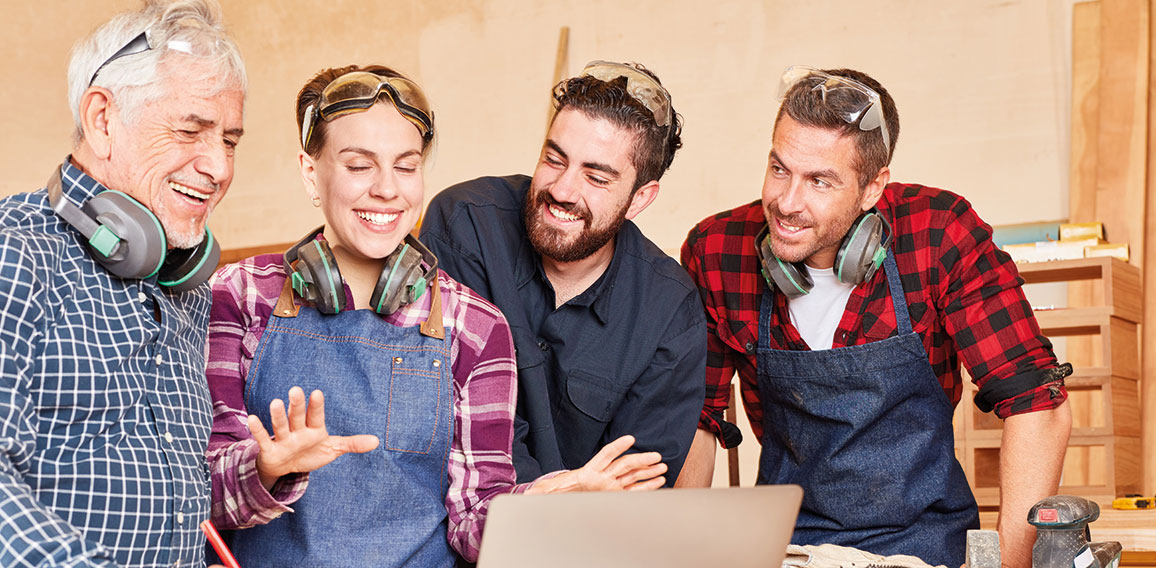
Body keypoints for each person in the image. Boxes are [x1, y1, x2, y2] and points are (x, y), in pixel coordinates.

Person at [204, 64, 667, 567]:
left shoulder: (476, 327)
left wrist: (543, 507)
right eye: (359, 165)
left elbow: (473, 521)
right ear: (309, 171)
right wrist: (266, 469)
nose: (387, 189)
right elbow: (195, 492)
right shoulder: (239, 295)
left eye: (406, 166)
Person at [678, 66, 1072, 568]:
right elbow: (696, 420)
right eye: (779, 169)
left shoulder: (939, 232)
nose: (786, 202)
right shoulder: (717, 250)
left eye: (820, 180)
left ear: (872, 188)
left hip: (926, 548)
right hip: (787, 547)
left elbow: (1037, 404)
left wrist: (1011, 565)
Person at [0, 1, 245, 566]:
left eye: (230, 140)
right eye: (191, 130)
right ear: (103, 120)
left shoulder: (185, 287)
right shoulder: (15, 256)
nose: (220, 167)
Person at [420, 61, 706, 487]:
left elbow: (631, 487)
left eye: (596, 176)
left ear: (639, 199)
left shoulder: (670, 311)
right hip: (456, 524)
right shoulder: (466, 223)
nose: (562, 190)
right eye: (555, 159)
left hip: (579, 543)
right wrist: (557, 492)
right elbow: (455, 412)